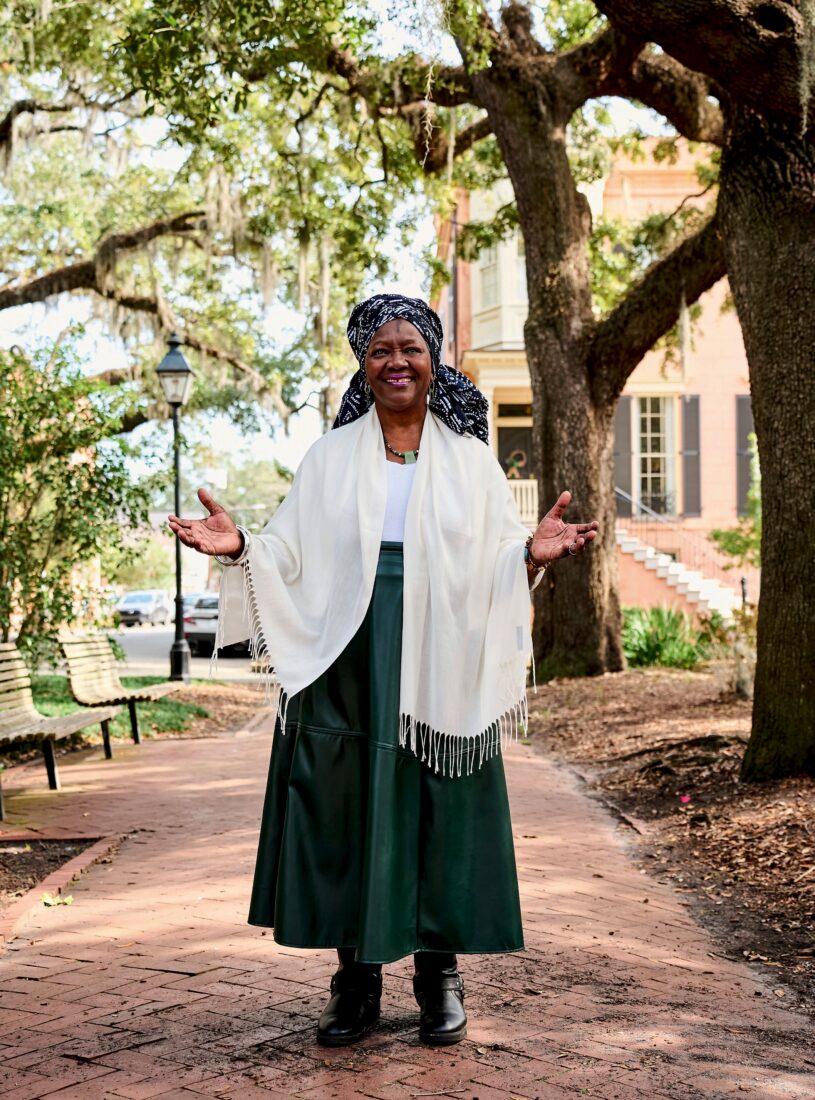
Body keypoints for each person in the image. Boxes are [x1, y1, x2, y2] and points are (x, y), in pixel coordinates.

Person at [168, 293, 598, 1048]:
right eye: (379, 350)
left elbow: (500, 555)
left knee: (439, 805)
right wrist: (240, 548)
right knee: (346, 808)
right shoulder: (329, 458)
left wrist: (531, 555)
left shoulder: (469, 460)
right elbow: (289, 557)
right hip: (348, 657)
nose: (395, 361)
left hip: (442, 657)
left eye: (410, 348)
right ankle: (354, 979)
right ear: (362, 366)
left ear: (434, 362)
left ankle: (439, 978)